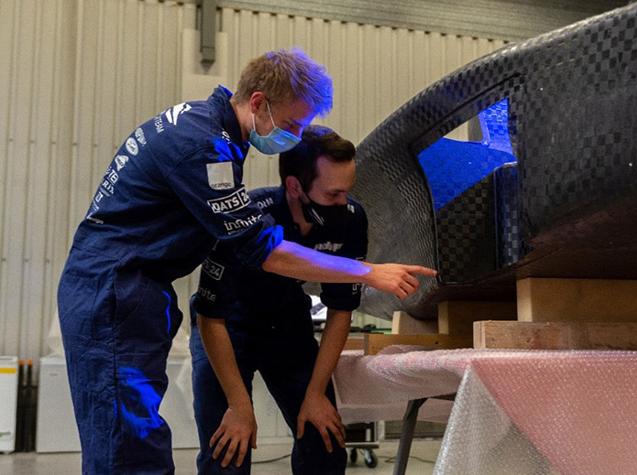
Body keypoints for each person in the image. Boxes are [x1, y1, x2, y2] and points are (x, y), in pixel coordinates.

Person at [57, 48, 435, 474]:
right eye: (292, 124)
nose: (294, 136)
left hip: (133, 289)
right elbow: (263, 252)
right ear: (258, 102)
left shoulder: (213, 135)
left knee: (137, 433)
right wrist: (369, 272)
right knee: (127, 444)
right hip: (114, 287)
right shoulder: (203, 145)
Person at [191, 126, 368, 474]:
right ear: (294, 187)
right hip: (226, 328)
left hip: (286, 323)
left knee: (325, 441)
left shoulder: (350, 219)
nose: (343, 202)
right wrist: (239, 405)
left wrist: (316, 394)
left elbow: (341, 310)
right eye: (333, 194)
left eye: (348, 191)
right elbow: (210, 316)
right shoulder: (246, 218)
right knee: (227, 453)